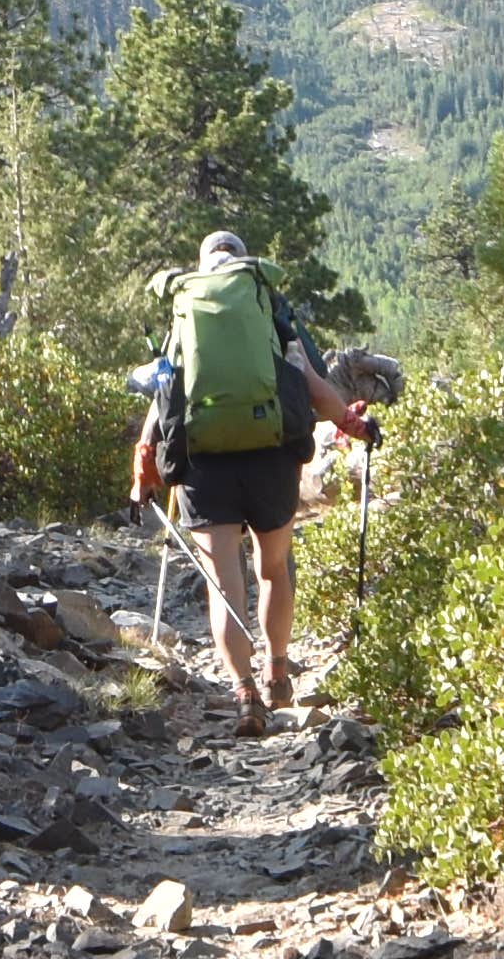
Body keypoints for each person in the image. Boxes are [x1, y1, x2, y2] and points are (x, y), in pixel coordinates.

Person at [128, 229, 373, 725]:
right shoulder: (266, 309)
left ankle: (244, 694)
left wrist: (144, 469)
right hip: (270, 458)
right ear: (244, 264)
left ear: (201, 266)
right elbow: (311, 387)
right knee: (272, 569)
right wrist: (353, 424)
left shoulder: (185, 314)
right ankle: (277, 673)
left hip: (203, 464)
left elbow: (162, 396)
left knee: (225, 583)